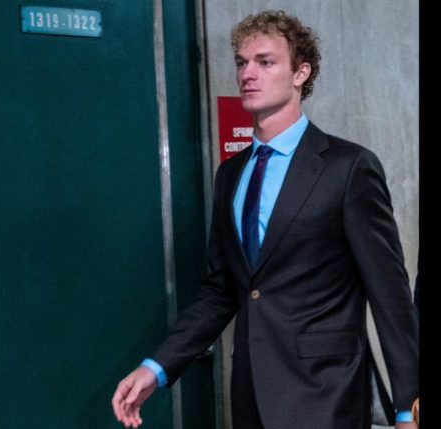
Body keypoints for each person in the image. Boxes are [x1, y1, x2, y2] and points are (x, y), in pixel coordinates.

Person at [111, 10, 419, 429]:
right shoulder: (231, 175)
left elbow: (390, 294)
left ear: (300, 73)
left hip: (329, 393)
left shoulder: (348, 168)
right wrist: (157, 367)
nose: (247, 73)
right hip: (252, 396)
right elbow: (222, 291)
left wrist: (408, 407)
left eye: (265, 61)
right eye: (241, 62)